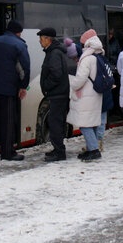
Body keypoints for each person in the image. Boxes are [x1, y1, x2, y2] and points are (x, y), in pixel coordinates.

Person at [0, 20, 30, 161]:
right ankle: (8, 153)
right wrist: (23, 86)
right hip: (8, 89)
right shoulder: (19, 45)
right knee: (8, 120)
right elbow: (24, 70)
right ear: (19, 32)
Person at [68, 29, 106, 160]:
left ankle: (94, 150)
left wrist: (72, 85)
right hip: (95, 94)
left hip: (85, 95)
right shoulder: (98, 55)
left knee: (84, 124)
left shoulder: (86, 58)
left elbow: (80, 79)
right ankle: (91, 148)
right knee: (93, 122)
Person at [37, 27, 70, 162]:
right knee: (55, 121)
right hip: (59, 93)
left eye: (41, 39)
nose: (40, 42)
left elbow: (56, 74)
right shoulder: (54, 51)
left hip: (57, 94)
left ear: (47, 39)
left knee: (55, 122)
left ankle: (59, 152)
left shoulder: (54, 53)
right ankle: (58, 149)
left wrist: (46, 86)